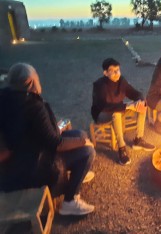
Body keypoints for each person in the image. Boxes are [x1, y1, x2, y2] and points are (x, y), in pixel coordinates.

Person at [0, 63, 95, 216]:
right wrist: (84, 142)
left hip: (20, 158)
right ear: (30, 82)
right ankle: (70, 201)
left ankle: (79, 172)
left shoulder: (6, 96)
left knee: (79, 134)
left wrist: (72, 135)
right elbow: (56, 144)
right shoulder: (32, 106)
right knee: (87, 151)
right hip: (32, 168)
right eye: (36, 76)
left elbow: (33, 132)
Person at [91, 57, 155, 165]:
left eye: (118, 70)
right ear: (105, 73)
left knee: (142, 106)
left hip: (120, 110)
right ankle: (121, 148)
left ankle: (138, 139)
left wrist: (140, 100)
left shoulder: (121, 81)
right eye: (113, 71)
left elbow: (135, 93)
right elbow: (104, 107)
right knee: (116, 114)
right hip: (102, 114)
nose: (117, 73)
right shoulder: (99, 85)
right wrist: (127, 106)